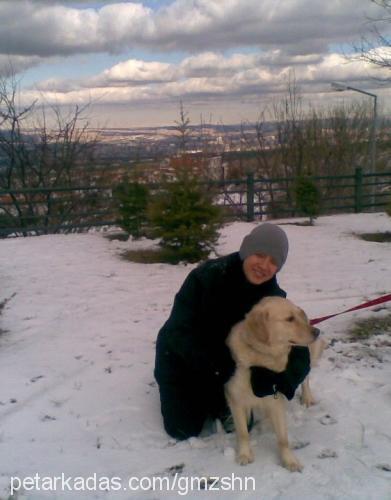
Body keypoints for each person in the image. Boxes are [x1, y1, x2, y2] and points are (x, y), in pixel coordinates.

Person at [154, 223, 310, 440]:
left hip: (228, 369)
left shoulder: (273, 298)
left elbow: (299, 346)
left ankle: (221, 395)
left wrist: (283, 379)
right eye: (260, 254)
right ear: (247, 249)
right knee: (183, 429)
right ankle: (196, 393)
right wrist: (219, 366)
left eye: (274, 261)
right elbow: (177, 333)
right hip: (184, 360)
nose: (264, 265)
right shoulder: (205, 278)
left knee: (241, 421)